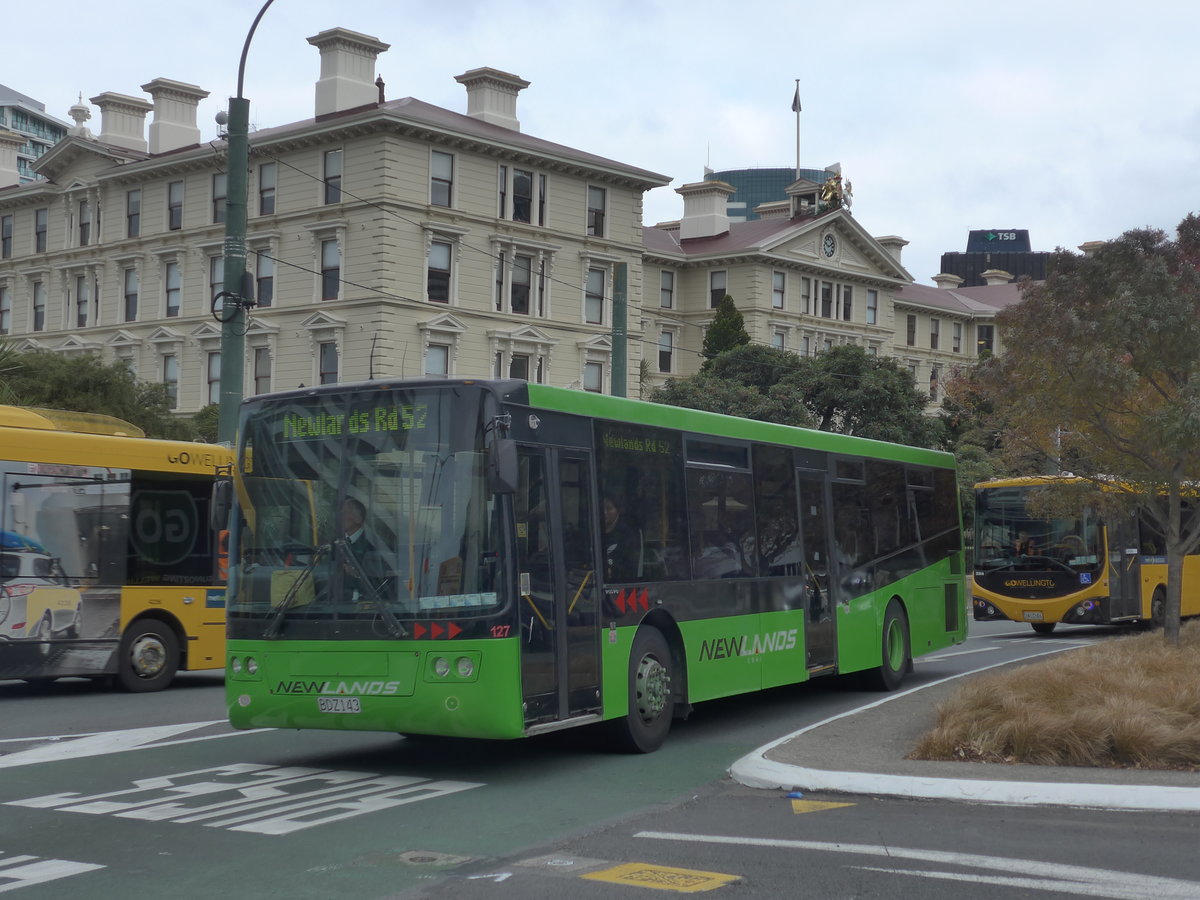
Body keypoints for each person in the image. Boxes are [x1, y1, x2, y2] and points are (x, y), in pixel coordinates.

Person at [602, 495, 640, 583]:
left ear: (617, 510)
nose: (604, 513)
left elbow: (631, 565)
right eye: (602, 509)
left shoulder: (627, 535)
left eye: (608, 508)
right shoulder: (594, 533)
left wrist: (612, 570)